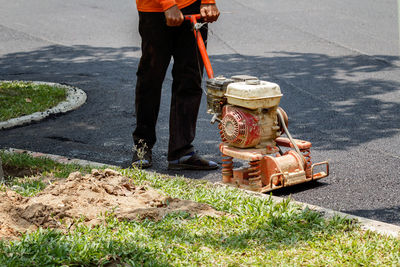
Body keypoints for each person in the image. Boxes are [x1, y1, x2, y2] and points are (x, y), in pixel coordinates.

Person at [132, 0, 220, 170]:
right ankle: (142, 147)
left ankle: (181, 151)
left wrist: (208, 1)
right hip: (155, 8)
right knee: (150, 78)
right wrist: (168, 4)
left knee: (190, 78)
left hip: (192, 5)